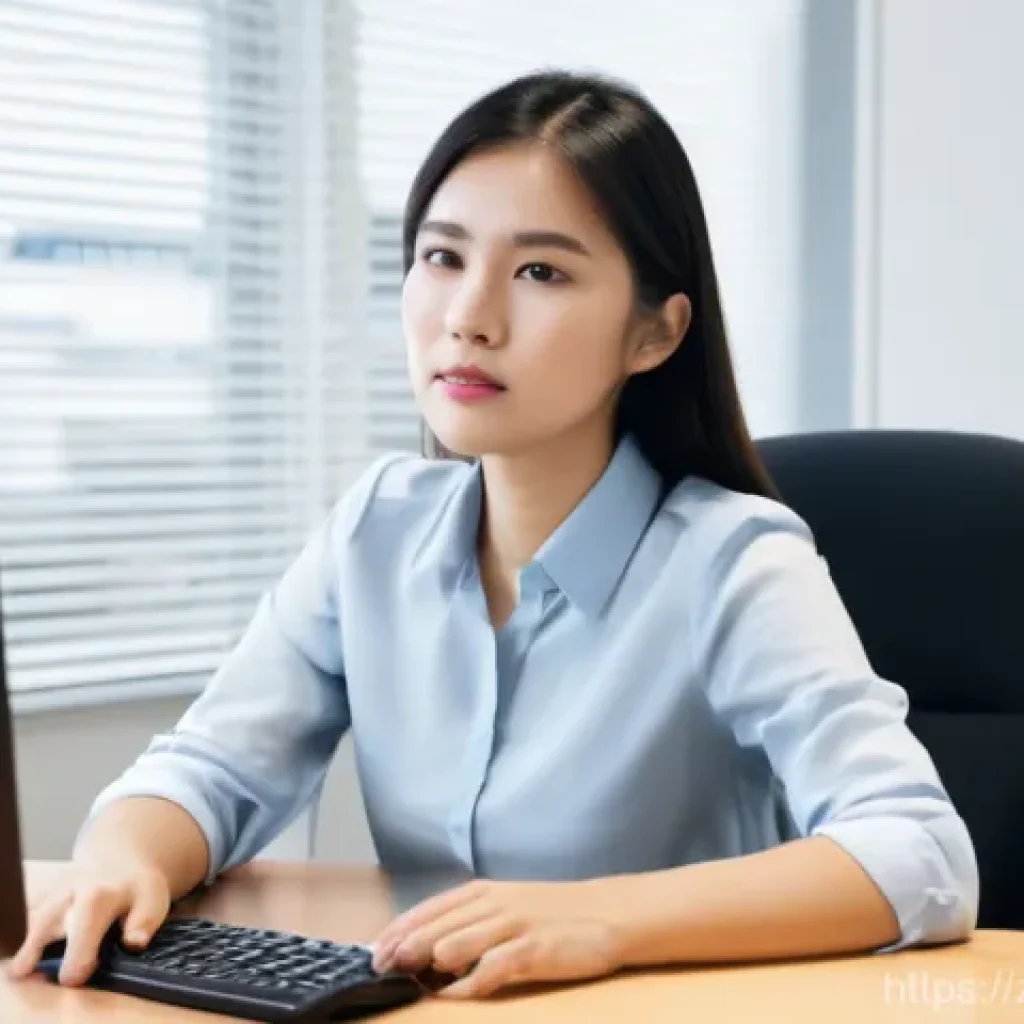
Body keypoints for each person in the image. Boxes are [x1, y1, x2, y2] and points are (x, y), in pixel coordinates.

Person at [10, 69, 977, 1000]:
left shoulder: (735, 562)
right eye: (442, 257)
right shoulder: (375, 531)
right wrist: (121, 858)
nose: (469, 317)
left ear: (656, 333)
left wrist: (599, 921)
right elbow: (215, 766)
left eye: (542, 271)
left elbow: (919, 853)